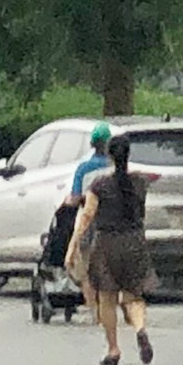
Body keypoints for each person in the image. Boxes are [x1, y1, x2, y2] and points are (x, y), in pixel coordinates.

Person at [68, 134, 154, 365]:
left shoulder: (99, 186)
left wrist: (73, 245)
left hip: (107, 243)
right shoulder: (139, 182)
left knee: (107, 297)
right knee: (133, 296)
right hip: (135, 241)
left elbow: (87, 216)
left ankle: (113, 349)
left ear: (109, 155)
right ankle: (140, 328)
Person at [65, 121, 114, 312]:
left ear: (92, 144)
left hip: (90, 221)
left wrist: (66, 202)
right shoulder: (114, 167)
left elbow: (75, 198)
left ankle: (94, 308)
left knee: (85, 265)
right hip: (112, 221)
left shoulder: (84, 169)